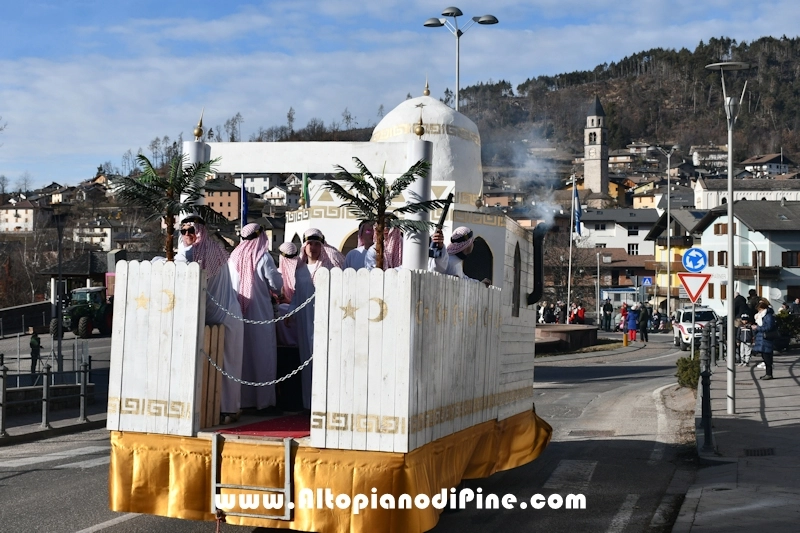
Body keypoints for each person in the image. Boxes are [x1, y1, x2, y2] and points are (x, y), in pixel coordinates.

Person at [176, 214, 244, 423]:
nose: (187, 235)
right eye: (183, 231)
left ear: (200, 231)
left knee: (223, 365)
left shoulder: (191, 252)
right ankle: (227, 408)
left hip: (217, 316)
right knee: (227, 364)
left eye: (191, 230)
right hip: (228, 313)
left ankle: (223, 409)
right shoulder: (216, 249)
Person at [229, 223, 283, 411]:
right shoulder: (263, 257)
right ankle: (264, 402)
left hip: (238, 314)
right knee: (263, 356)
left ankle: (244, 402)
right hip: (260, 315)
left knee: (242, 358)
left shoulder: (233, 257)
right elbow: (276, 284)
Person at [752, 300, 777, 380]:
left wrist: (757, 328)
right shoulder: (761, 316)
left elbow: (769, 327)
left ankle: (769, 374)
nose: (759, 311)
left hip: (766, 338)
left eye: (760, 309)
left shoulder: (768, 316)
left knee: (767, 357)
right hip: (762, 338)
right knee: (765, 356)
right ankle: (768, 374)